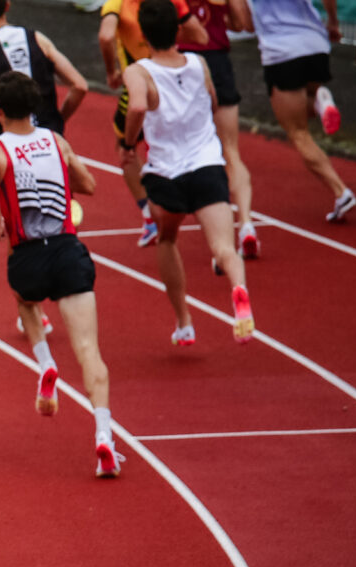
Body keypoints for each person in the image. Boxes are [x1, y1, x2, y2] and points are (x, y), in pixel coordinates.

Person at [0, 71, 127, 477]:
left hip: (27, 256)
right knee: (89, 351)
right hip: (67, 250)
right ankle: (104, 436)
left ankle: (44, 363)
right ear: (36, 106)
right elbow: (88, 184)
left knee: (24, 300)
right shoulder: (57, 142)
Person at [124, 0, 257, 345]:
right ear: (178, 29)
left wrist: (128, 141)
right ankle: (239, 292)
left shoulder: (139, 71)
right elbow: (211, 102)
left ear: (143, 33)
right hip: (206, 164)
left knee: (167, 238)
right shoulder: (199, 63)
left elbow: (137, 105)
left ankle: (184, 322)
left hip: (167, 172)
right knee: (224, 248)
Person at [98, 0, 207, 246]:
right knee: (190, 143)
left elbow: (106, 36)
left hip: (140, 84)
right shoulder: (170, 2)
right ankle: (209, 215)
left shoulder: (117, 4)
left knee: (126, 148)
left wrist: (111, 71)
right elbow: (201, 36)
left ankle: (149, 215)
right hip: (175, 81)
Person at [250, 0, 356, 221]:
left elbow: (243, 22)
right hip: (315, 44)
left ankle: (341, 191)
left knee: (299, 133)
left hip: (281, 50)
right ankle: (321, 100)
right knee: (306, 108)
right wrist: (333, 22)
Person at [181, 0, 263, 262]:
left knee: (193, 154)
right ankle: (247, 224)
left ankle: (219, 240)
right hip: (217, 61)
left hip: (183, 64)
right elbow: (241, 23)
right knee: (230, 150)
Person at [0, 0, 92, 148]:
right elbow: (80, 85)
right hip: (52, 141)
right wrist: (57, 120)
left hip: (10, 146)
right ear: (7, 5)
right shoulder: (38, 39)